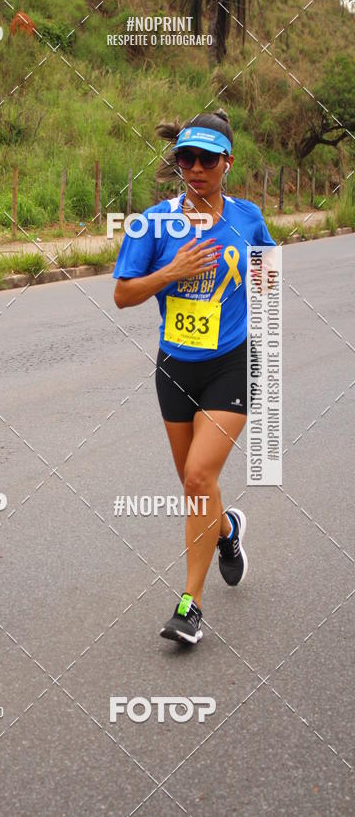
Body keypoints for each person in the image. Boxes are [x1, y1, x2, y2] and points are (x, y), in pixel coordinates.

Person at [112, 109, 276, 645]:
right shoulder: (152, 223)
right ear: (177, 162)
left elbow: (269, 280)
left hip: (232, 362)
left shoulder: (248, 219)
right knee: (193, 484)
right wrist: (172, 273)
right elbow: (123, 295)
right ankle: (226, 531)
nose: (197, 168)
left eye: (208, 159)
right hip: (175, 368)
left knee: (198, 477)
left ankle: (191, 606)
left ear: (228, 162)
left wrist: (258, 328)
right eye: (188, 158)